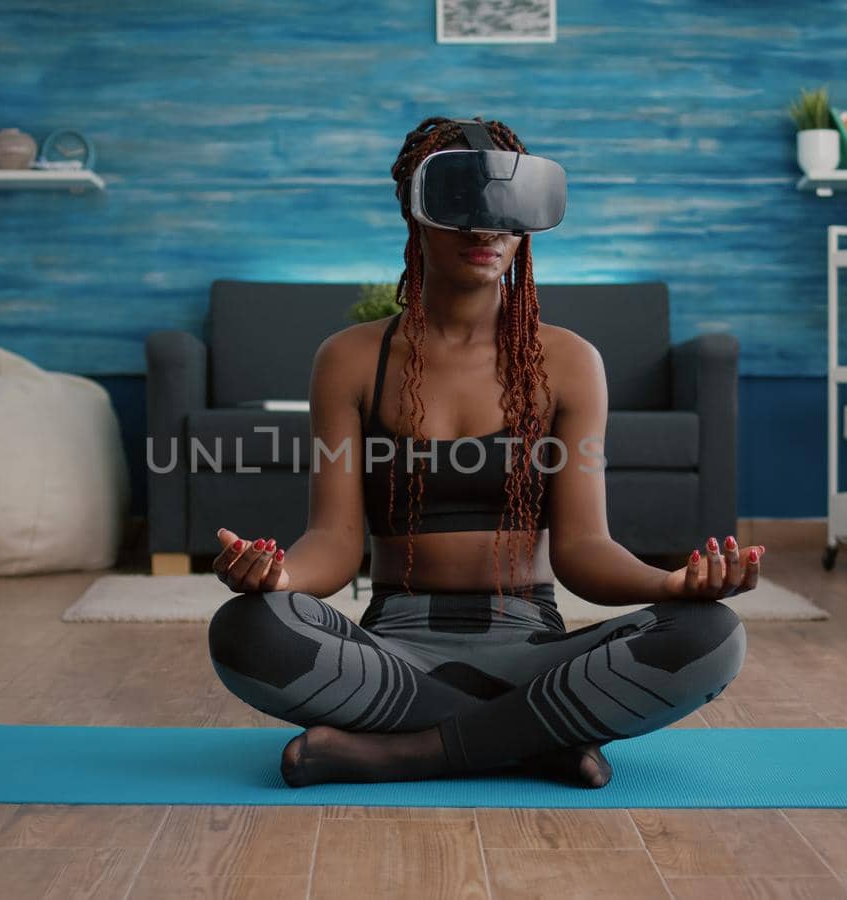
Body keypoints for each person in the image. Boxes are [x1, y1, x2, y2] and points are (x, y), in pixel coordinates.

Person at [207, 116, 758, 789]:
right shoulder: (349, 360)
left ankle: (407, 752)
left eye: (506, 211)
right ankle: (536, 737)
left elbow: (584, 550)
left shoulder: (569, 361)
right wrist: (280, 579)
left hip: (532, 648)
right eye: (462, 207)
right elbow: (335, 540)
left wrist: (670, 585)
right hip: (393, 653)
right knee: (246, 630)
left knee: (713, 635)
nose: (487, 229)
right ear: (415, 211)